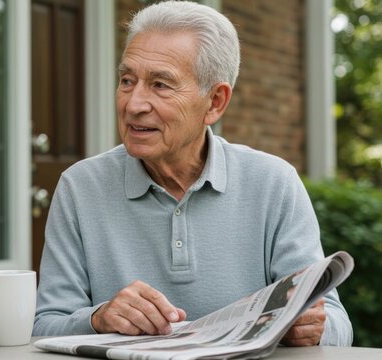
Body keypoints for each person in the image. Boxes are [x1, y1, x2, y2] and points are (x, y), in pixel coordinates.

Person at [33, 0, 352, 347]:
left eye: (160, 85)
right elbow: (45, 324)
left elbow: (336, 324)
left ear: (215, 102)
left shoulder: (274, 183)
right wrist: (98, 318)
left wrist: (313, 327)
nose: (134, 104)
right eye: (127, 80)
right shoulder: (81, 186)